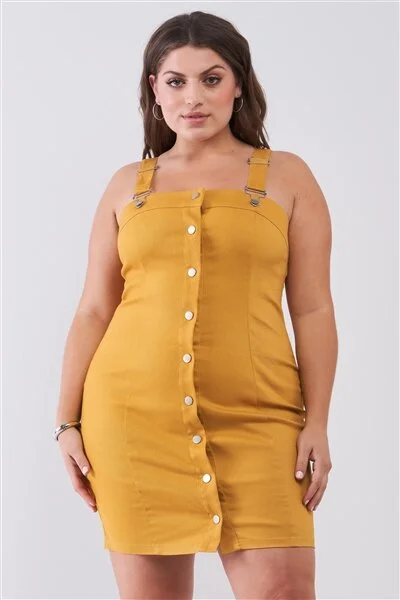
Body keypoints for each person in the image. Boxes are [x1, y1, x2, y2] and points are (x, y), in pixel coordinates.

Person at [54, 10, 338, 600]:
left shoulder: (287, 177)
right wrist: (66, 422)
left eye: (211, 78)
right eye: (176, 81)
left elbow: (312, 308)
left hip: (260, 419)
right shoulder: (126, 185)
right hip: (133, 421)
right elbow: (93, 310)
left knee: (284, 591)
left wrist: (317, 421)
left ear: (239, 84)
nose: (193, 97)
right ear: (154, 91)